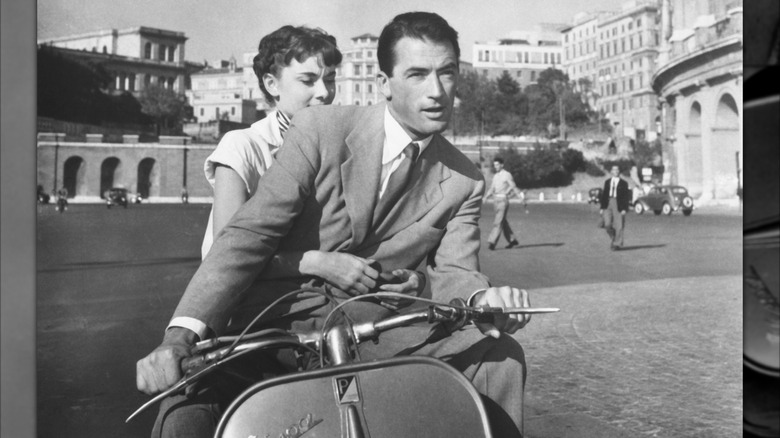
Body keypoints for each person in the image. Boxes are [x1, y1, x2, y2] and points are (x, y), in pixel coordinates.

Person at [137, 12, 532, 438]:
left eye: (447, 73)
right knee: (185, 407)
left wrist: (482, 296)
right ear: (384, 84)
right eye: (417, 74)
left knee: (500, 357)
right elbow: (249, 234)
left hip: (378, 335)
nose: (436, 91)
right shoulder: (320, 128)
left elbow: (456, 271)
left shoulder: (465, 179)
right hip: (276, 324)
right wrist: (180, 336)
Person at [483, 157, 520, 250]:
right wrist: (486, 197)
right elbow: (492, 188)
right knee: (502, 221)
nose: (495, 166)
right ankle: (512, 240)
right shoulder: (496, 176)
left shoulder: (507, 175)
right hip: (495, 201)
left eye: (497, 165)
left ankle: (492, 242)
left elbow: (513, 186)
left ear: (502, 165)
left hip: (503, 201)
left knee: (498, 222)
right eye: (494, 165)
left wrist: (520, 198)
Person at [599, 165, 630, 250]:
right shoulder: (607, 182)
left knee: (619, 224)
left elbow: (626, 197)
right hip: (608, 203)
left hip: (618, 204)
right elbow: (604, 195)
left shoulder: (624, 183)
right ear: (611, 171)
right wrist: (602, 208)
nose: (615, 171)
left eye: (617, 169)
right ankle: (614, 236)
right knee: (607, 224)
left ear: (619, 171)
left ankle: (617, 244)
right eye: (614, 169)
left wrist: (624, 208)